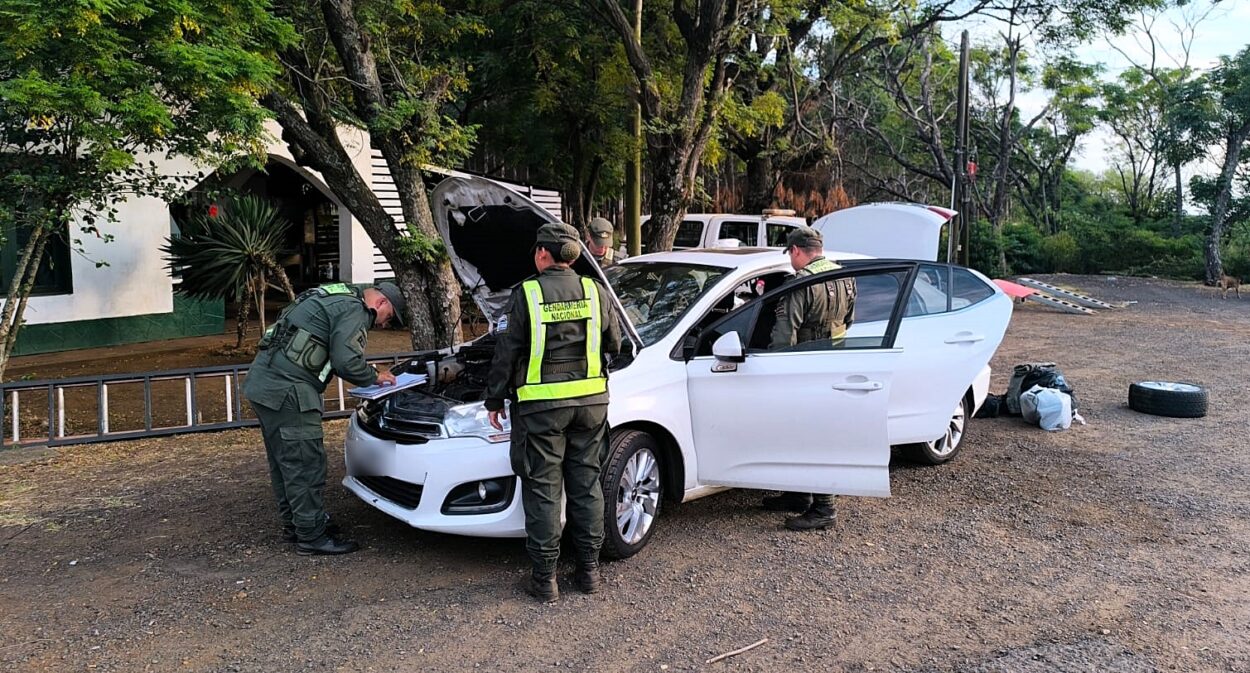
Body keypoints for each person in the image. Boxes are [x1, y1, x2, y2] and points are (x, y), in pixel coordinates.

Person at [485, 222, 622, 602]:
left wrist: (494, 399)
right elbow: (615, 343)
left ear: (543, 254)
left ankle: (545, 579)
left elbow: (507, 351)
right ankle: (589, 572)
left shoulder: (527, 293)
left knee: (545, 490)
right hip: (592, 405)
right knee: (586, 486)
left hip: (542, 410)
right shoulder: (595, 291)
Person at [243, 281, 405, 555]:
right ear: (381, 303)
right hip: (289, 391)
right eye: (388, 318)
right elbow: (345, 360)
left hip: (264, 384)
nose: (383, 326)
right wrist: (375, 376)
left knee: (285, 462)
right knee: (305, 462)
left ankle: (297, 525)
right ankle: (312, 535)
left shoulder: (334, 294)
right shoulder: (356, 309)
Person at [761, 226, 857, 531]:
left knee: (811, 437)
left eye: (790, 255)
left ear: (796, 251)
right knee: (808, 434)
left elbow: (783, 334)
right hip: (833, 365)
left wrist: (773, 373)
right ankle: (799, 495)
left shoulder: (802, 283)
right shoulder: (845, 277)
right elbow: (848, 322)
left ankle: (824, 507)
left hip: (803, 369)